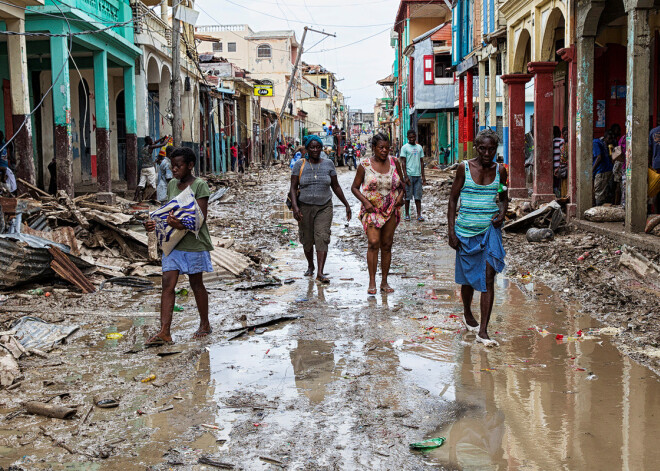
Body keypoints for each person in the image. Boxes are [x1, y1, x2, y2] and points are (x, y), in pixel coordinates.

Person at [144, 147, 214, 344]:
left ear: (190, 166)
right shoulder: (173, 184)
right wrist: (153, 222)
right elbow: (168, 211)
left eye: (178, 166)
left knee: (196, 283)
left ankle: (205, 324)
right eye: (172, 166)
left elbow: (200, 218)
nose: (173, 169)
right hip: (173, 242)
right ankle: (165, 332)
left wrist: (181, 224)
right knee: (167, 284)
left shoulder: (200, 186)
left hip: (194, 243)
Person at [447, 129, 508, 347]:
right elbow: (453, 200)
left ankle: (483, 330)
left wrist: (502, 213)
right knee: (467, 279)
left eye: (492, 149)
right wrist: (451, 231)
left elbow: (503, 197)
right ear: (476, 147)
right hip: (465, 232)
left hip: (489, 233)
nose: (487, 153)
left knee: (488, 277)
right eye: (483, 148)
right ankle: (466, 311)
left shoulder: (501, 170)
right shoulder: (464, 168)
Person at [290, 135, 352, 284]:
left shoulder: (329, 164)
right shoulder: (299, 164)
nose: (315, 150)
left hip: (324, 206)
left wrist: (346, 204)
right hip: (304, 207)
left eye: (318, 147)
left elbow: (335, 186)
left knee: (322, 237)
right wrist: (295, 207)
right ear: (306, 149)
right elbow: (292, 188)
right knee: (307, 239)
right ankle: (310, 265)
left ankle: (320, 272)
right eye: (312, 147)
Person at [350, 132, 405, 294]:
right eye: (381, 147)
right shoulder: (364, 165)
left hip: (391, 210)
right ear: (373, 148)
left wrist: (401, 197)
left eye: (387, 148)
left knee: (387, 245)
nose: (384, 151)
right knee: (373, 243)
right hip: (372, 210)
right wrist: (365, 202)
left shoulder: (395, 162)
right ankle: (372, 281)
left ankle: (384, 282)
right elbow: (354, 187)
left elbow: (402, 185)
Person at [399, 129, 427, 221]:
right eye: (410, 137)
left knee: (418, 197)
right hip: (409, 176)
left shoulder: (419, 148)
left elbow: (422, 162)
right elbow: (403, 162)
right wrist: (405, 176)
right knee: (407, 197)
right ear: (408, 137)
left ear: (415, 137)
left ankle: (419, 215)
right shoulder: (405, 148)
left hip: (418, 176)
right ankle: (407, 215)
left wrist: (423, 177)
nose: (412, 139)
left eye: (413, 137)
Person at [135, 135, 168, 201]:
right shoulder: (150, 147)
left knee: (141, 184)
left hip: (143, 168)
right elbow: (163, 144)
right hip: (150, 168)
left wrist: (161, 138)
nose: (152, 141)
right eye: (151, 140)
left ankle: (135, 197)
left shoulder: (143, 147)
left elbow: (155, 142)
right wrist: (168, 139)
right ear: (149, 141)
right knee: (153, 184)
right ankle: (151, 198)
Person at [593, 131, 614, 206]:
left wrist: (592, 169)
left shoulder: (595, 143)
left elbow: (599, 157)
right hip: (606, 170)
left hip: (602, 171)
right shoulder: (600, 143)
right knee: (604, 193)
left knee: (599, 193)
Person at [556, 126, 569, 197]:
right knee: (563, 187)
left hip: (567, 170)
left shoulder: (570, 145)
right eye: (564, 134)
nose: (566, 136)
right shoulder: (563, 145)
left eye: (567, 134)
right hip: (563, 170)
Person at [650, 123, 660, 211]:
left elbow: (649, 149)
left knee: (656, 190)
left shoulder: (653, 132)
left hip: (656, 164)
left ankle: (656, 213)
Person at [552, 126, 564, 196]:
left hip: (552, 167)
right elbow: (562, 155)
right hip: (559, 167)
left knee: (555, 184)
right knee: (560, 183)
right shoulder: (561, 141)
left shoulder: (551, 142)